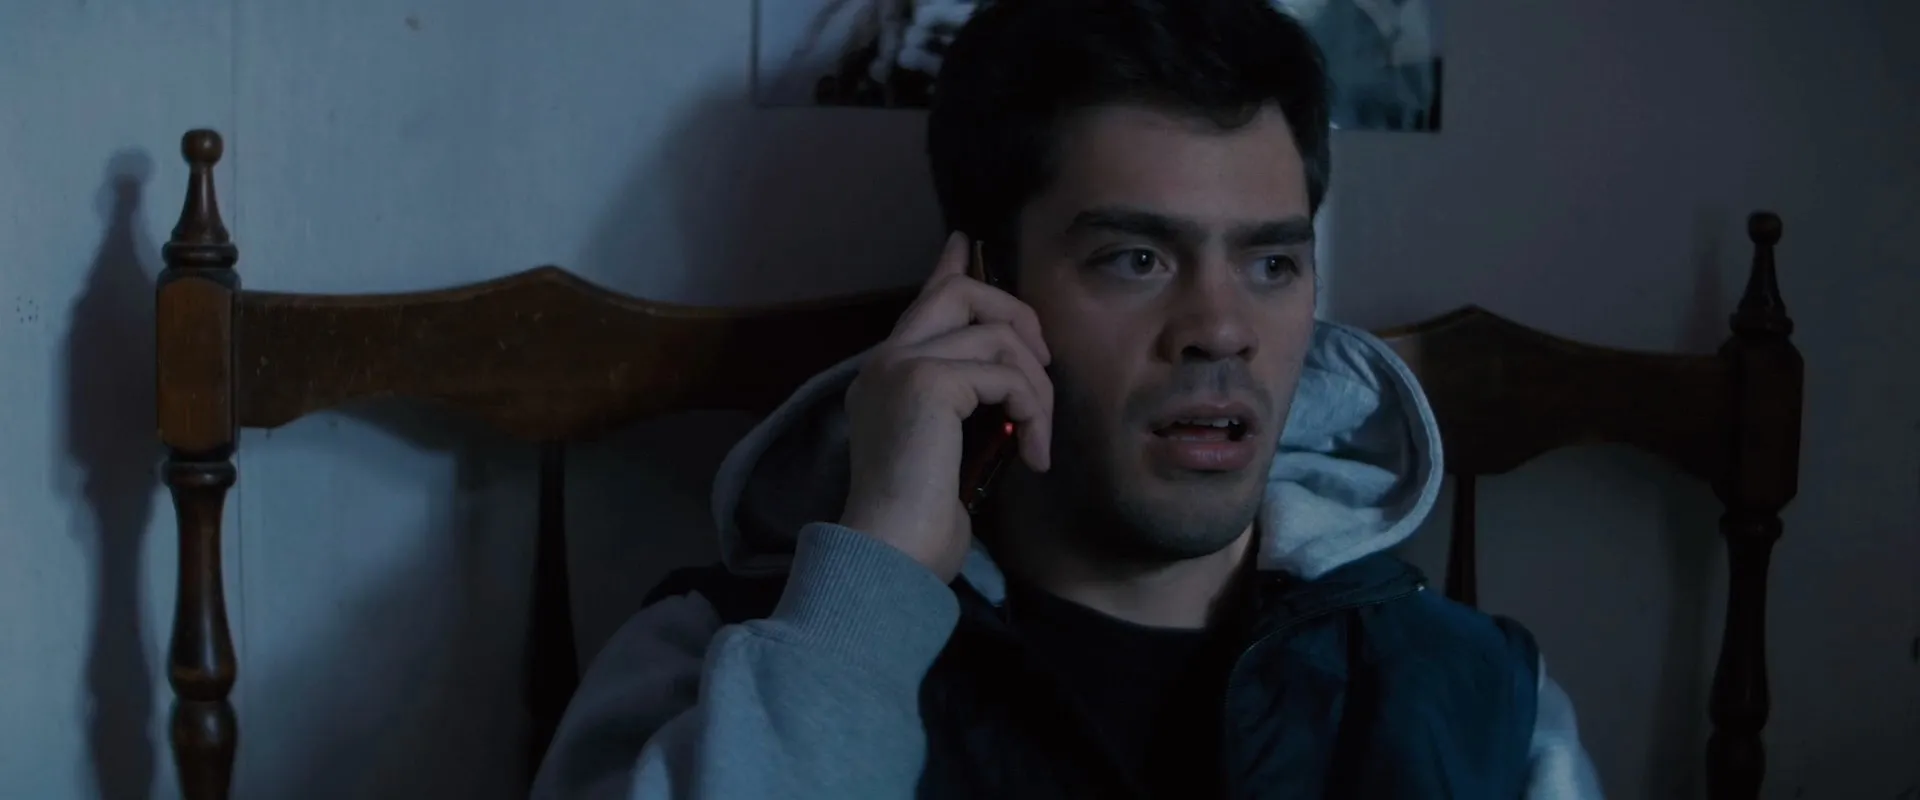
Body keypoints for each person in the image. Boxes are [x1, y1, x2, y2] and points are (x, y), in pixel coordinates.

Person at [533, 0, 1603, 797]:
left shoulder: (1478, 703)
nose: (1222, 327)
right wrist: (875, 584)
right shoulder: (718, 664)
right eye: (1137, 258)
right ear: (983, 290)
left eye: (1271, 263)